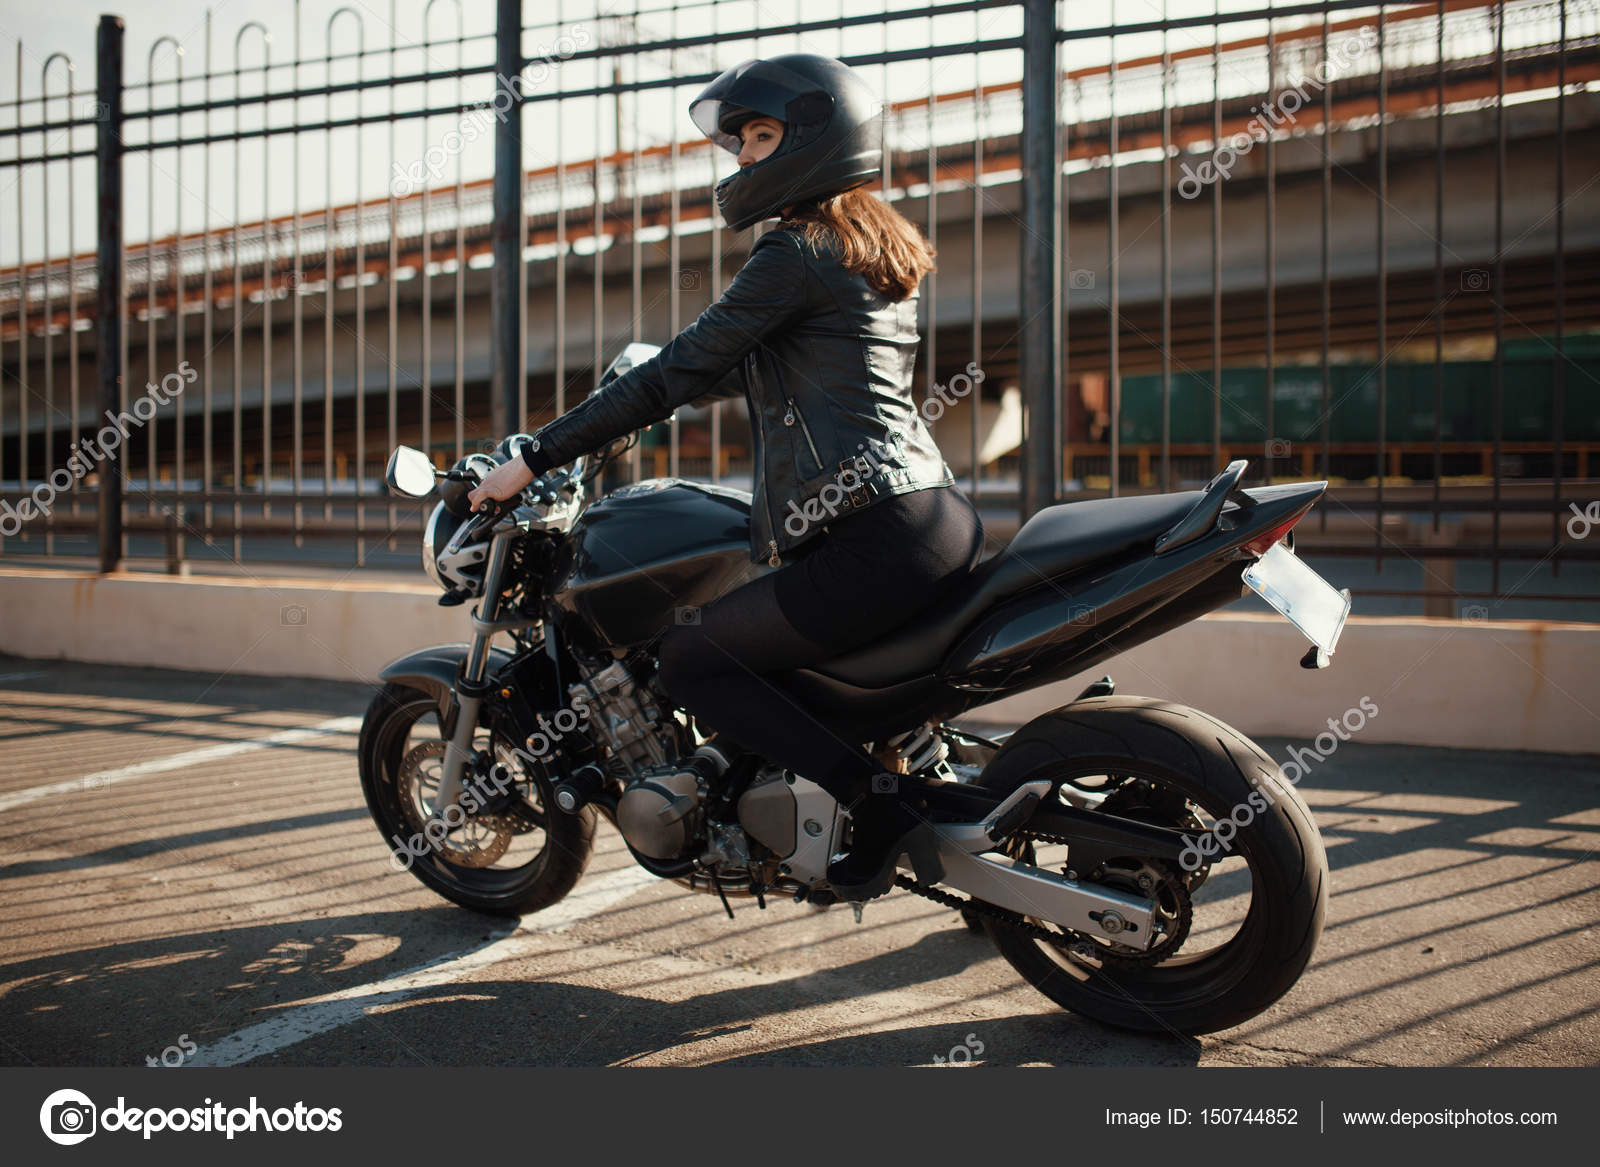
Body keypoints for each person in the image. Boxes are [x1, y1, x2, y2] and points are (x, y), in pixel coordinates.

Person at [468, 53, 986, 902]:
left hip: (870, 532)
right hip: (930, 516)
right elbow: (730, 371)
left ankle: (883, 811)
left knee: (691, 659)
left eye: (761, 135)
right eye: (740, 139)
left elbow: (676, 369)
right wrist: (657, 397)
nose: (743, 155)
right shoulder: (865, 246)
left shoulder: (796, 250)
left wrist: (534, 454)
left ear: (817, 138)